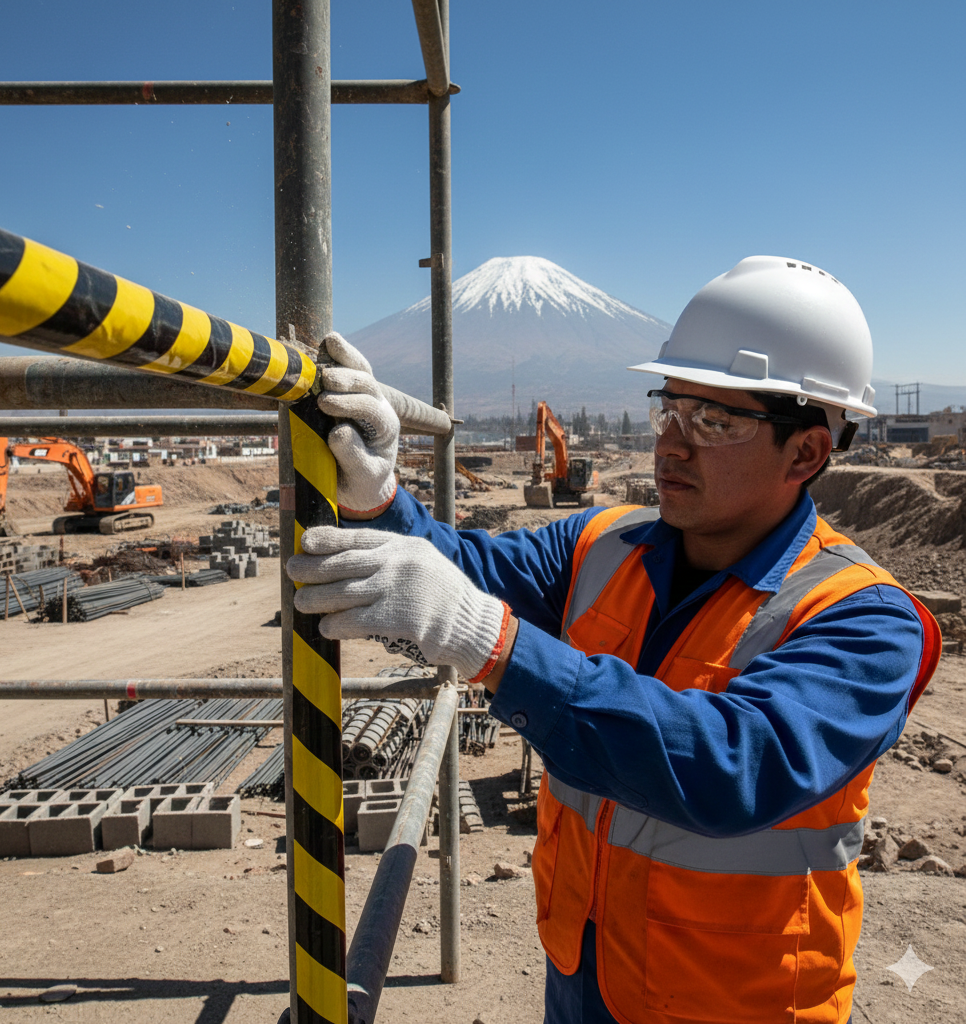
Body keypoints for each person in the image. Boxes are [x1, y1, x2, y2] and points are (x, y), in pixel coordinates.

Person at [287, 255, 942, 1024]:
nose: (672, 444)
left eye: (715, 422)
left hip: (734, 1006)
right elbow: (466, 572)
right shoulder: (602, 544)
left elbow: (736, 767)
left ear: (805, 453)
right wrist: (381, 497)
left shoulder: (865, 619)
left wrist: (492, 642)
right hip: (583, 978)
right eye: (670, 409)